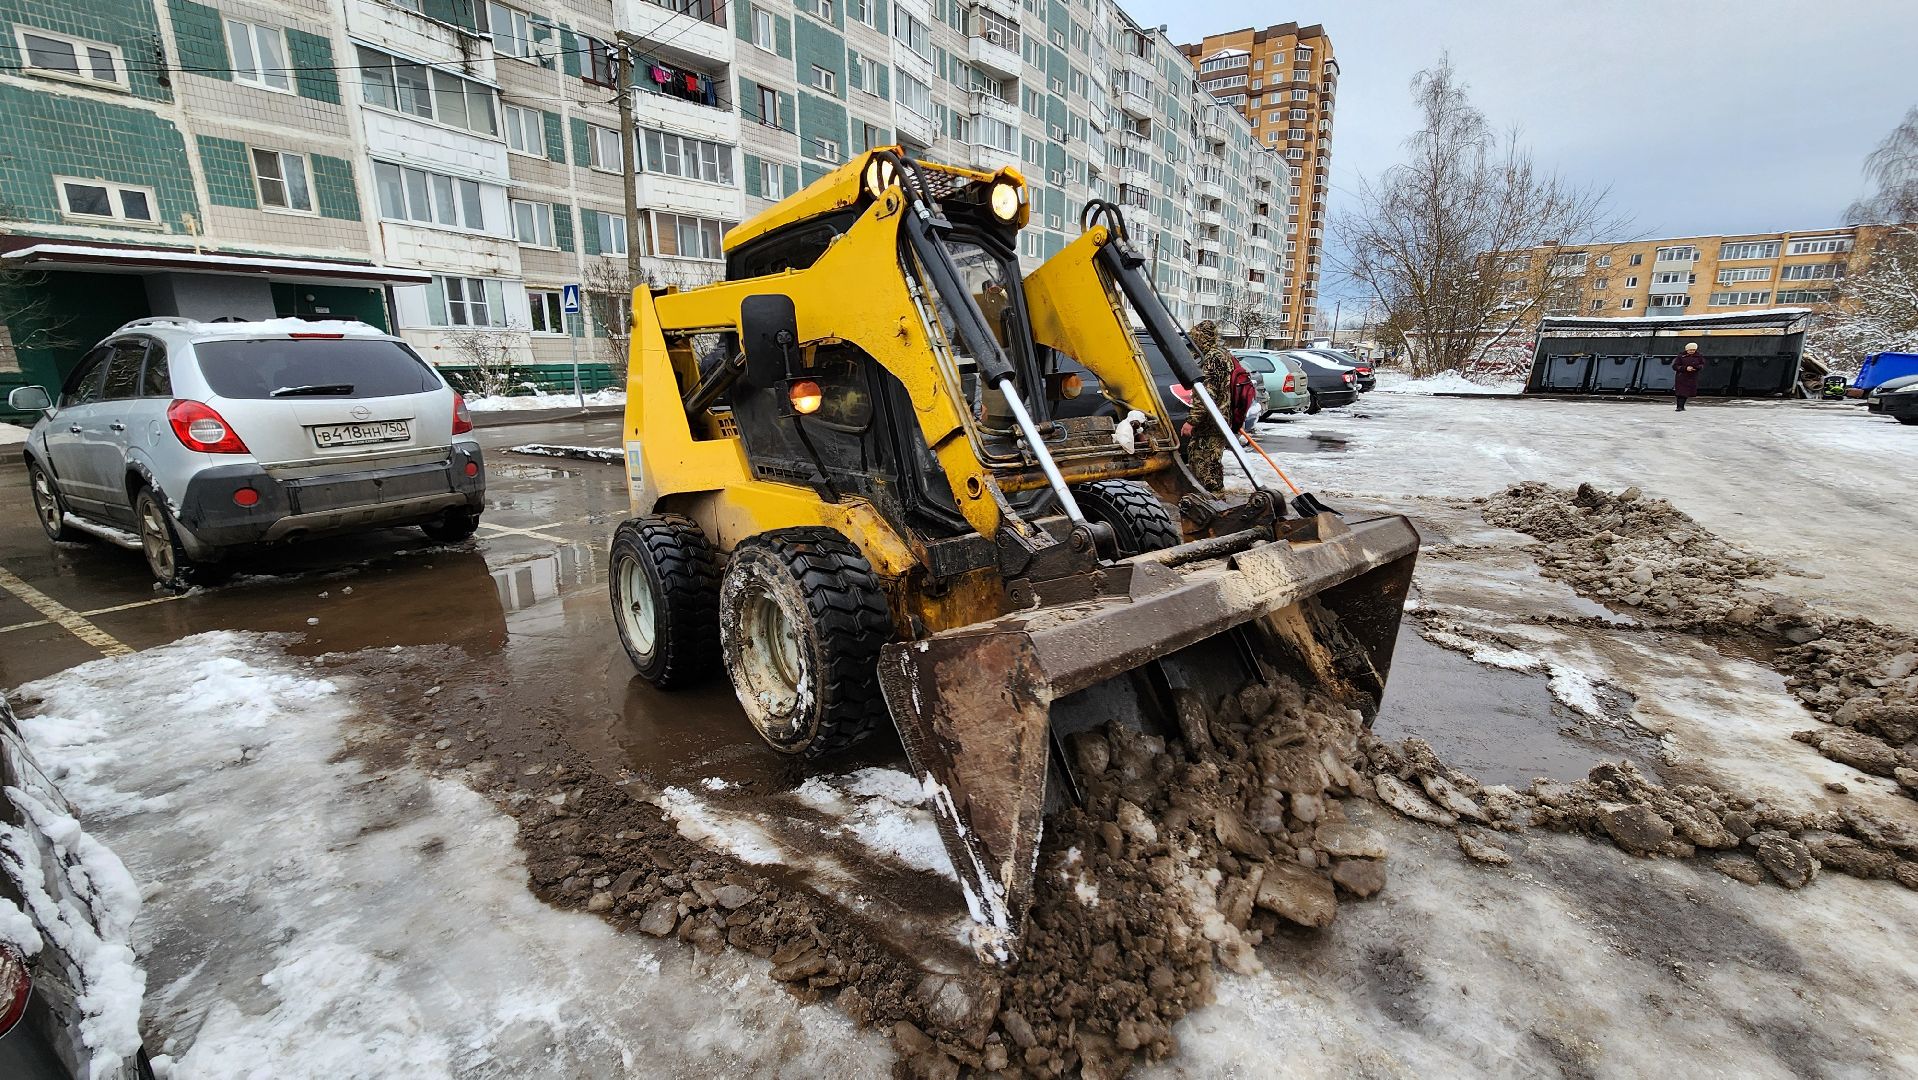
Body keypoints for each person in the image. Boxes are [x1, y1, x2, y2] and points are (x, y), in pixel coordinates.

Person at [1183, 321, 1237, 492]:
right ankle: (1213, 500)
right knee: (1210, 464)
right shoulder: (1223, 354)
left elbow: (1207, 395)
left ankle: (1214, 503)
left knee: (1206, 467)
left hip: (1210, 425)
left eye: (1195, 337)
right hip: (1219, 421)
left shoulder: (1213, 358)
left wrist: (1191, 421)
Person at [1673, 342, 1705, 411]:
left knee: (1686, 392)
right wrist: (1685, 368)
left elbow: (1701, 365)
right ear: (1687, 350)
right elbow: (1675, 366)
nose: (1692, 351)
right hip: (1681, 377)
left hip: (1692, 377)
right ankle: (1679, 406)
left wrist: (1696, 368)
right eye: (1690, 350)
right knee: (1680, 392)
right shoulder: (1681, 356)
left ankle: (1682, 406)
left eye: (1693, 350)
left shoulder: (1699, 356)